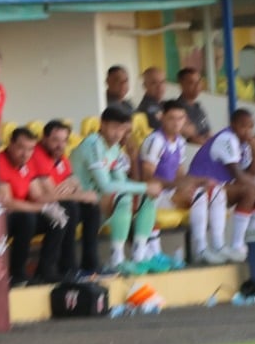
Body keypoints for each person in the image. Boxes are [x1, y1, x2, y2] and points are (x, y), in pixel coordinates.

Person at [70, 106, 161, 270]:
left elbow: (121, 180)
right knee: (124, 197)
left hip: (100, 202)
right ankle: (116, 258)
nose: (118, 134)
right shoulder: (93, 144)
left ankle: (139, 255)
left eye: (122, 129)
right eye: (114, 128)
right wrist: (144, 186)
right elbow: (106, 186)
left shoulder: (115, 148)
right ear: (102, 124)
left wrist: (144, 189)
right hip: (80, 203)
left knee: (147, 197)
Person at [138, 103, 219, 263]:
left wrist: (197, 181)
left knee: (215, 192)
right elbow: (148, 178)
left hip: (170, 194)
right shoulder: (155, 140)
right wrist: (178, 186)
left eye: (180, 118)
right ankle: (200, 249)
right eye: (171, 118)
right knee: (198, 195)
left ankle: (217, 246)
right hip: (153, 196)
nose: (176, 123)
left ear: (185, 120)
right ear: (162, 118)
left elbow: (180, 176)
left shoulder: (180, 142)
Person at [188, 108, 255, 260]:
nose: (247, 131)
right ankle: (237, 245)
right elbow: (237, 175)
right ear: (233, 125)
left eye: (251, 127)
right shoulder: (227, 138)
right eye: (243, 126)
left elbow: (251, 175)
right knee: (250, 191)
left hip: (220, 189)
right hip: (201, 188)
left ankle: (251, 242)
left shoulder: (244, 144)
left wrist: (254, 151)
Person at [29, 119, 102, 275]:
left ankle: (90, 264)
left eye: (64, 141)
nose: (60, 145)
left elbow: (76, 183)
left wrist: (73, 188)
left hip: (59, 204)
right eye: (55, 140)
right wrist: (78, 193)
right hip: (37, 208)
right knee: (70, 208)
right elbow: (51, 194)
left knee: (91, 209)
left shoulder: (60, 156)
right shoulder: (37, 154)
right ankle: (68, 267)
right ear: (44, 138)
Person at [0, 127, 66, 286]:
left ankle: (46, 270)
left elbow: (37, 196)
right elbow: (8, 203)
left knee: (58, 218)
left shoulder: (26, 164)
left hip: (23, 214)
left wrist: (55, 207)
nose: (25, 154)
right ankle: (17, 273)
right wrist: (42, 209)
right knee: (27, 219)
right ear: (10, 144)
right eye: (21, 148)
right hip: (2, 219)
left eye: (30, 149)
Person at [174, 67, 212, 141]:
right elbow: (190, 138)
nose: (197, 86)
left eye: (198, 82)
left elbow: (208, 133)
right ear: (181, 84)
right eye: (192, 83)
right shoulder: (176, 109)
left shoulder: (199, 108)